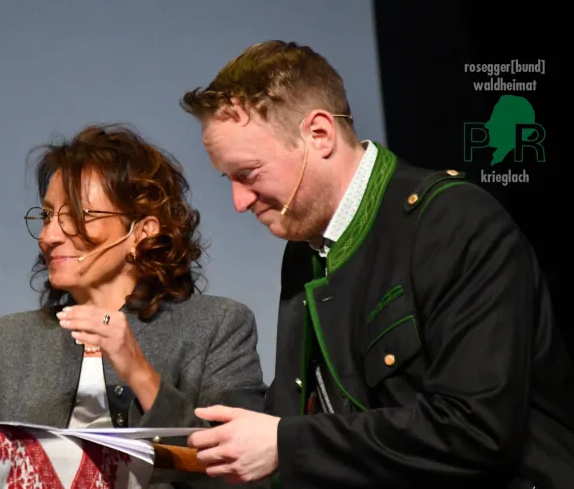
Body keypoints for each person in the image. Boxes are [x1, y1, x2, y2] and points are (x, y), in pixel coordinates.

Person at [178, 40, 574, 489]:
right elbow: (308, 413)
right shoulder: (305, 248)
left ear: (320, 135)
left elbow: (477, 430)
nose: (238, 201)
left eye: (248, 173)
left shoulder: (453, 222)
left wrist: (286, 443)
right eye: (228, 179)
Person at [0, 124, 267, 457]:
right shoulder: (0, 343)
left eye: (78, 215)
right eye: (48, 216)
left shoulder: (216, 326)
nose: (49, 236)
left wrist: (139, 373)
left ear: (142, 233)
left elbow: (236, 467)